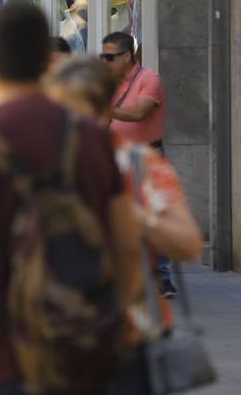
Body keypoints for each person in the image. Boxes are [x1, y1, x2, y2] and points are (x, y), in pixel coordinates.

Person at [0, 4, 141, 395]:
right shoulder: (90, 136)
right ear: (48, 61)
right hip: (89, 356)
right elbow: (127, 246)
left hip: (8, 359)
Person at [45, 57, 202, 344]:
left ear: (106, 110)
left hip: (130, 331)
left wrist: (136, 217)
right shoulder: (38, 166)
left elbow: (188, 244)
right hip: (54, 335)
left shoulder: (139, 164)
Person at [103, 30, 173, 295]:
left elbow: (140, 112)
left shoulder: (149, 79)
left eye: (110, 57)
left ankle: (162, 277)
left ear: (127, 56)